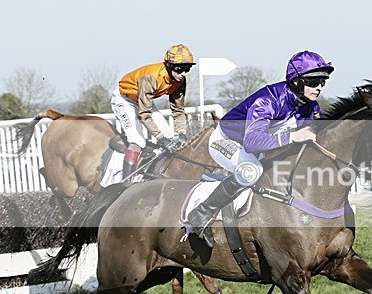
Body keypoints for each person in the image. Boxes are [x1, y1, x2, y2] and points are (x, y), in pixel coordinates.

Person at [185, 50, 333, 247]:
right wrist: (293, 136)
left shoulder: (310, 106)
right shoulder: (268, 100)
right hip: (227, 141)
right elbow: (252, 142)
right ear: (297, 81)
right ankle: (200, 214)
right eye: (314, 82)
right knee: (251, 171)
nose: (320, 87)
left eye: (323, 82)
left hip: (259, 148)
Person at [111, 44, 194, 179]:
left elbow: (178, 110)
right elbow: (145, 115)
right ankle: (125, 183)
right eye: (180, 69)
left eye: (187, 69)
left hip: (144, 100)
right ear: (168, 65)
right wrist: (161, 139)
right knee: (137, 141)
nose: (183, 74)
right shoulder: (151, 78)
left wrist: (182, 132)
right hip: (124, 99)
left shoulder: (180, 81)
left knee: (172, 137)